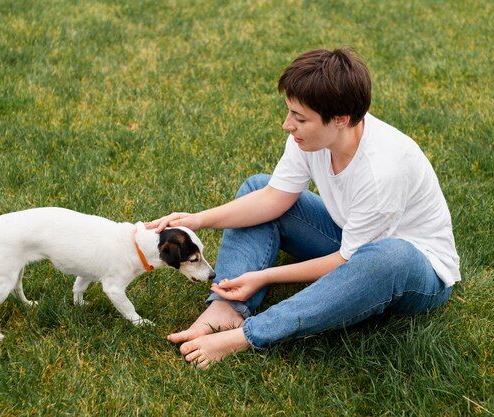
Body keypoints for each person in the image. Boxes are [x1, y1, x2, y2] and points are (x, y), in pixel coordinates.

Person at [146, 47, 461, 369]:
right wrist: (197, 220)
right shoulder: (311, 138)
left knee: (389, 256)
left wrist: (264, 276)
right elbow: (273, 198)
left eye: (299, 118)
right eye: (289, 112)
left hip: (413, 269)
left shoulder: (383, 170)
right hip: (352, 237)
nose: (287, 125)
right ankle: (227, 306)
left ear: (340, 119)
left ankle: (247, 335)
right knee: (256, 186)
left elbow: (347, 260)